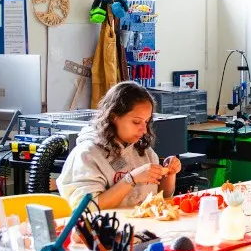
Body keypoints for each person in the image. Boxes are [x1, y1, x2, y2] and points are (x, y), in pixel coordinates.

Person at [56, 81, 182, 209]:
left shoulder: (144, 151)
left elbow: (162, 196)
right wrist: (131, 179)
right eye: (136, 122)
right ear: (113, 116)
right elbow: (87, 208)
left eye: (146, 122)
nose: (144, 130)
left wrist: (169, 174)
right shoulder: (87, 154)